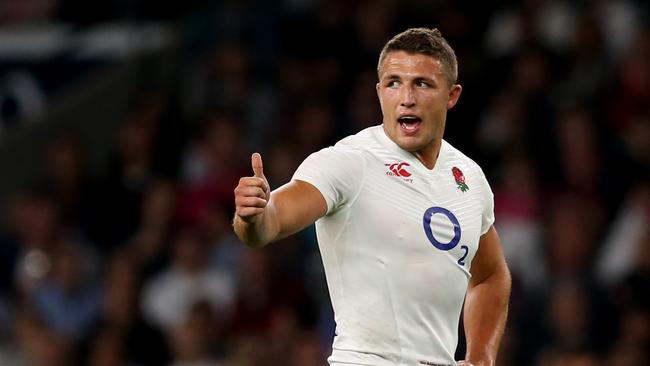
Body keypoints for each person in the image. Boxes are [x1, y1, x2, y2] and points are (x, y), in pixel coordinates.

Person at [233, 28, 511, 366]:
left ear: (451, 96)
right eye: (394, 83)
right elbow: (271, 222)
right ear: (379, 92)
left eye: (422, 84)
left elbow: (491, 275)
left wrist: (481, 355)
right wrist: (253, 215)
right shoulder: (350, 162)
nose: (406, 97)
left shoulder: (468, 177)